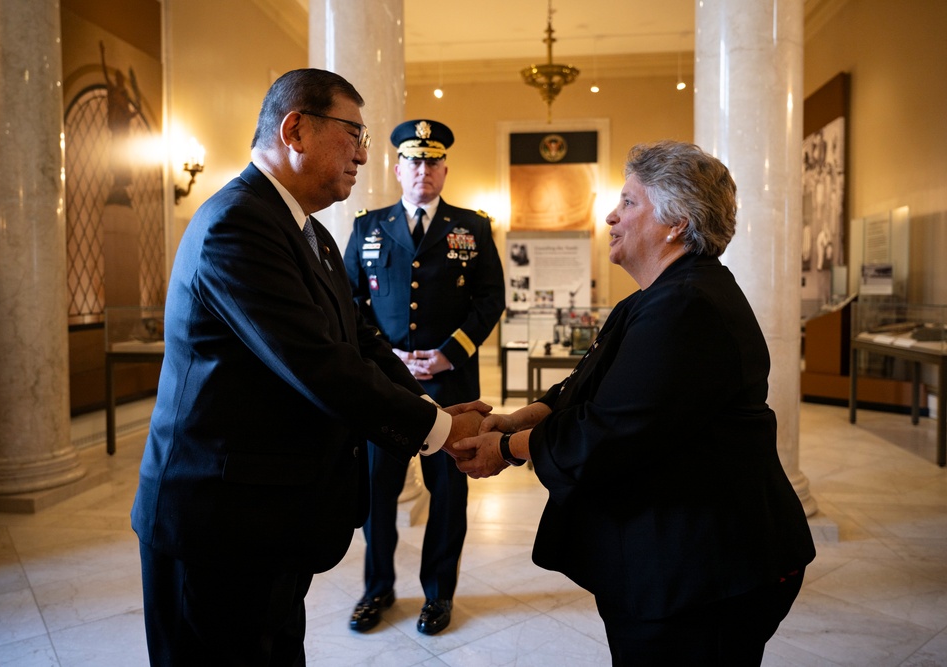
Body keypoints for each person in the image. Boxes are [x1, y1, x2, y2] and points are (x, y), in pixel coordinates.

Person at [130, 69, 487, 667]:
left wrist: (432, 412)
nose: (365, 154)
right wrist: (442, 435)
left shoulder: (309, 232)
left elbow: (358, 340)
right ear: (295, 129)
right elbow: (317, 364)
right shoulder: (237, 225)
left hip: (269, 520)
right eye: (354, 133)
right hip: (219, 525)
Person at [456, 140, 817, 665]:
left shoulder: (687, 306)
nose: (610, 215)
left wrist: (508, 448)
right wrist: (513, 420)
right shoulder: (659, 296)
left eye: (628, 202)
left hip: (705, 573)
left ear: (676, 223)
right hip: (676, 559)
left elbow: (613, 429)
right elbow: (582, 388)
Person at [343, 119, 506, 635]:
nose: (423, 171)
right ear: (397, 169)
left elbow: (490, 298)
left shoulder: (473, 227)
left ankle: (438, 594)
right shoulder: (368, 226)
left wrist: (448, 354)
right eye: (413, 162)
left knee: (449, 496)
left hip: (451, 384)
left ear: (444, 170)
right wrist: (389, 356)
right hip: (386, 386)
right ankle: (378, 589)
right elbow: (349, 304)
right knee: (377, 493)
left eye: (432, 162)